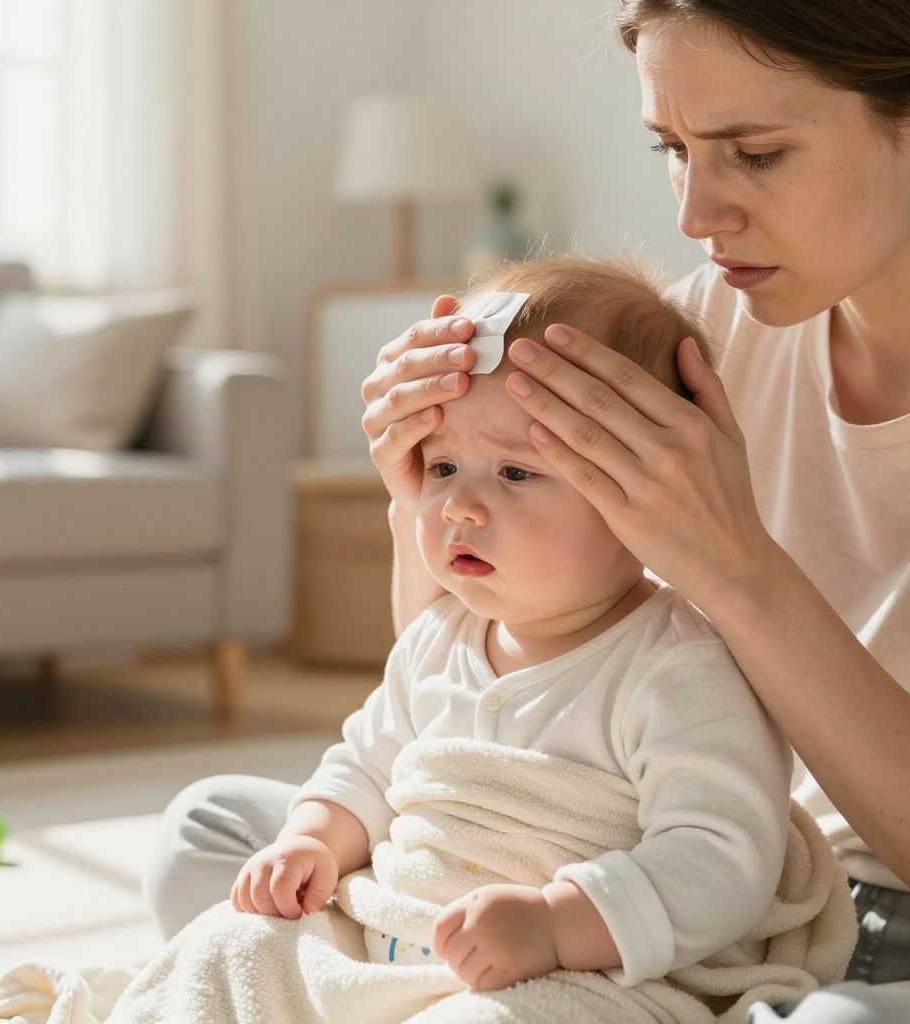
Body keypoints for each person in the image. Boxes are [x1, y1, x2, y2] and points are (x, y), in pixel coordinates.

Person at [145, 1, 910, 1020]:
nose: (697, 216)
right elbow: (487, 710)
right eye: (675, 148)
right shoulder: (711, 325)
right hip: (730, 898)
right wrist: (422, 489)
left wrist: (734, 564)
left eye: (754, 153)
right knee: (216, 836)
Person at [228, 254, 801, 996]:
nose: (459, 507)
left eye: (515, 473)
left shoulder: (676, 666)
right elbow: (368, 764)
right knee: (237, 945)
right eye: (440, 468)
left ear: (643, 498)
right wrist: (312, 840)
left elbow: (721, 858)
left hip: (571, 973)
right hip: (398, 936)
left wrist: (557, 924)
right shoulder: (440, 639)